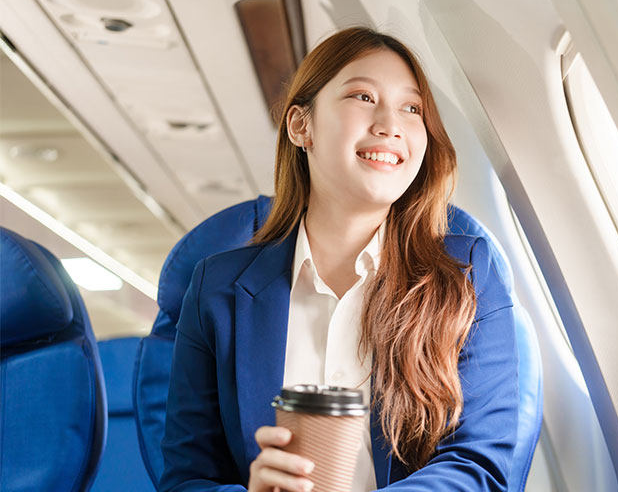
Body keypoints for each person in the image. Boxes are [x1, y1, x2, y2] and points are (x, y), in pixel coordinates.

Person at [159, 27, 519, 492]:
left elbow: (479, 465)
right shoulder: (217, 288)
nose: (391, 123)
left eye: (412, 108)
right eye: (363, 97)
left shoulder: (468, 273)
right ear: (300, 126)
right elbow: (187, 478)